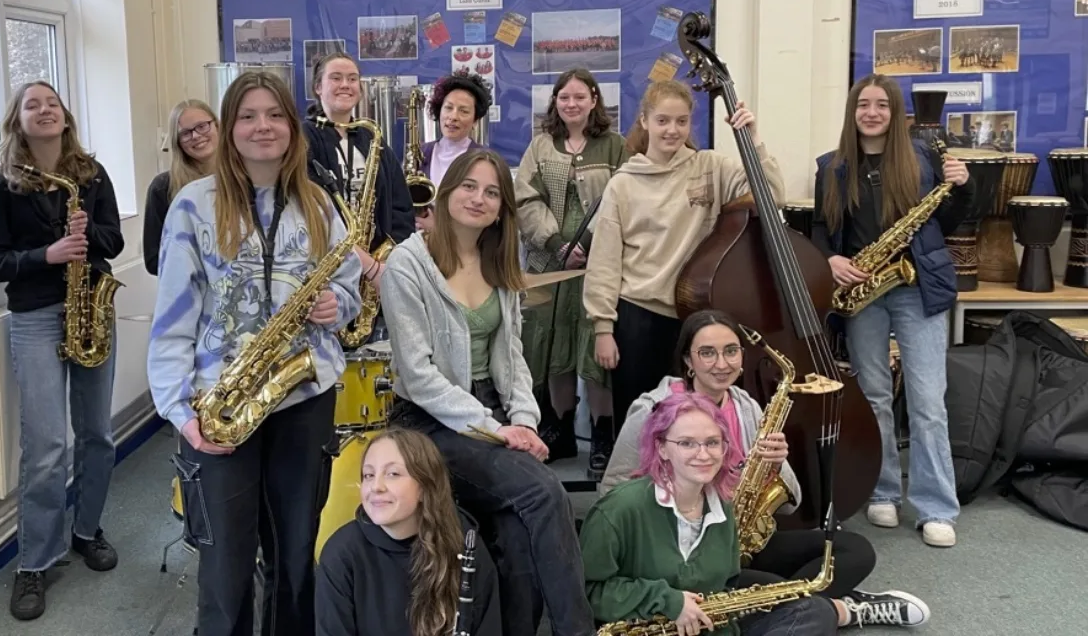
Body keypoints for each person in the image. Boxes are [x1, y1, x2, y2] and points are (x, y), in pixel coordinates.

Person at [147, 71, 362, 636]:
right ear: (229, 127)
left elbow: (349, 287)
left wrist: (334, 305)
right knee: (226, 566)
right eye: (248, 115)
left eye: (274, 115)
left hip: (303, 399)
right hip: (222, 407)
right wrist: (179, 410)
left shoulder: (318, 203)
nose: (262, 126)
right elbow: (170, 321)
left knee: (295, 556)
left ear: (293, 127)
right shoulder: (193, 207)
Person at [601, 309, 931, 629]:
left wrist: (775, 465)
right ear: (688, 361)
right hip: (686, 554)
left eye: (731, 351)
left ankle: (792, 605)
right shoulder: (654, 409)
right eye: (707, 353)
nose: (721, 364)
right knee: (781, 590)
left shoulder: (747, 407)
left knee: (855, 551)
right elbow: (612, 488)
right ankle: (839, 608)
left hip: (742, 539)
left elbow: (791, 500)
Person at [380, 148, 593, 636]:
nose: (479, 198)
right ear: (447, 191)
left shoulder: (498, 260)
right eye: (469, 186)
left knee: (518, 538)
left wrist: (524, 421)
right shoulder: (407, 264)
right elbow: (417, 375)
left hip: (493, 416)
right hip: (428, 422)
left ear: (502, 208)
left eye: (492, 192)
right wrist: (498, 430)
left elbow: (512, 356)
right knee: (544, 492)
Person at [0, 80, 125, 622]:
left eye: (52, 103)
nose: (43, 110)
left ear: (65, 117)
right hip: (37, 317)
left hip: (93, 307)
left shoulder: (91, 174)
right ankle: (34, 562)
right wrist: (50, 253)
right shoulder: (2, 186)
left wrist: (89, 236)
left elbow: (115, 241)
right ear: (18, 119)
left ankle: (86, 530)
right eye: (31, 104)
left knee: (98, 435)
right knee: (44, 448)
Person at [813, 73, 972, 549]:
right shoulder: (832, 165)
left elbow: (946, 220)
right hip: (864, 288)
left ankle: (936, 506)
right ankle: (883, 491)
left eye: (882, 104)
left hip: (915, 284)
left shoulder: (924, 158)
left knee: (927, 401)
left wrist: (961, 188)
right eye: (864, 104)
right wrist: (831, 260)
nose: (873, 112)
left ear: (895, 112)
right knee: (875, 396)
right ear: (852, 111)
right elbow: (822, 227)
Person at [583, 79, 784, 434]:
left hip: (696, 317)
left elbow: (771, 197)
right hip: (640, 316)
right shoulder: (623, 183)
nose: (671, 130)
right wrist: (603, 327)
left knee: (699, 424)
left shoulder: (709, 167)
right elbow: (604, 260)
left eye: (680, 121)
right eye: (662, 121)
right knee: (642, 424)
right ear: (644, 121)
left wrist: (752, 140)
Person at [580, 392, 840, 636]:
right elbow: (588, 592)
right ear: (661, 448)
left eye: (713, 443)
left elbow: (724, 587)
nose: (703, 455)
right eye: (686, 443)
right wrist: (670, 601)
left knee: (816, 611)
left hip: (701, 628)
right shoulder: (619, 509)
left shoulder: (722, 509)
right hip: (641, 627)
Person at [514, 68, 629, 474]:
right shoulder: (541, 146)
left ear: (594, 100)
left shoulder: (616, 147)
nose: (572, 104)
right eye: (565, 97)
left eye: (580, 97)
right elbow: (525, 199)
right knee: (553, 349)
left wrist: (588, 245)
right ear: (555, 103)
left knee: (595, 351)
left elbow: (624, 200)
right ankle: (559, 430)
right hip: (550, 265)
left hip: (599, 266)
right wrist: (557, 243)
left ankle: (601, 436)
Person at [315, 428, 502, 636]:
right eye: (368, 475)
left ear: (425, 486)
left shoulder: (463, 543)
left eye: (393, 474)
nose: (376, 486)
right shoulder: (342, 553)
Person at [304, 51, 416, 316]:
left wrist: (389, 258)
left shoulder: (372, 137)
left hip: (376, 266)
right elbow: (310, 211)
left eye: (353, 79)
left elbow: (401, 205)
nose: (346, 84)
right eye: (336, 78)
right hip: (326, 267)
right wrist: (364, 263)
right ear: (318, 87)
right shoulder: (303, 139)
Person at [143, 98, 218, 275]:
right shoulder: (162, 188)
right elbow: (153, 260)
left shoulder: (246, 178)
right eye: (185, 133)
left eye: (202, 126)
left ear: (218, 126)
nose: (196, 136)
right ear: (177, 142)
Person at [413, 70, 490, 232]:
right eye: (448, 108)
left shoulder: (485, 160)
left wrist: (438, 229)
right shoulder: (419, 153)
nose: (453, 117)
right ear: (438, 111)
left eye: (464, 111)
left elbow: (485, 215)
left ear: (475, 120)